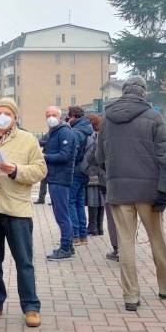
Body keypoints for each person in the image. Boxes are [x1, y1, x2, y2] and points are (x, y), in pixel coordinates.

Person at [96, 76, 166, 311]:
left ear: (123, 92)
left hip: (118, 190)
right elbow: (165, 157)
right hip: (149, 190)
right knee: (157, 239)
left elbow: (99, 157)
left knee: (125, 243)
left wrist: (112, 176)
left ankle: (131, 296)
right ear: (144, 93)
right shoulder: (153, 117)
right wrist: (163, 190)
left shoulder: (107, 120)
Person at [0, 99, 47, 327]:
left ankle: (31, 307)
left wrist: (16, 170)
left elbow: (40, 170)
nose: (1, 116)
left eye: (6, 113)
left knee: (24, 261)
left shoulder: (27, 139)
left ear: (15, 117)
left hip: (17, 209)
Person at [81, 114, 119, 260]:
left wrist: (97, 171)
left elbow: (92, 159)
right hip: (127, 185)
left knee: (112, 216)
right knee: (124, 217)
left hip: (107, 181)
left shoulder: (101, 139)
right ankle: (124, 248)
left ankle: (117, 248)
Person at [43, 105, 78, 261]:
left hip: (60, 179)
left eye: (53, 114)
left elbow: (64, 156)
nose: (50, 117)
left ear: (60, 116)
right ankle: (68, 246)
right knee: (62, 214)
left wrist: (44, 157)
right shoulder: (53, 132)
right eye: (48, 115)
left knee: (62, 215)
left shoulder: (64, 132)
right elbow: (40, 141)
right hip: (55, 178)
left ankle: (65, 247)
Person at [67, 106, 93, 246]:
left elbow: (73, 153)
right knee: (79, 203)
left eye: (69, 117)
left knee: (71, 202)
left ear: (73, 117)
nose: (68, 120)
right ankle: (83, 235)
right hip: (85, 171)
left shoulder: (77, 132)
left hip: (75, 171)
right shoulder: (88, 129)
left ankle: (75, 235)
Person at [34, 130, 50, 205]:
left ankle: (53, 199)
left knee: (51, 181)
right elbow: (40, 142)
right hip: (46, 159)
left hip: (52, 159)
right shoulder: (49, 133)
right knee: (43, 180)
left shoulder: (59, 133)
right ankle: (41, 198)